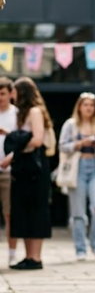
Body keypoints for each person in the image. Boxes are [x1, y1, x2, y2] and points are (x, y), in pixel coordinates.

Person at [7, 77, 53, 271]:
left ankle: (35, 257)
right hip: (24, 167)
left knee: (36, 210)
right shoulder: (21, 114)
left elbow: (37, 139)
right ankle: (28, 256)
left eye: (14, 92)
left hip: (35, 166)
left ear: (22, 92)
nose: (11, 95)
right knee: (23, 210)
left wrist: (13, 151)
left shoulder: (34, 111)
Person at [59, 92, 95, 261]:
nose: (88, 108)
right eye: (85, 105)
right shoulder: (70, 124)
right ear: (79, 107)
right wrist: (80, 144)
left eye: (91, 105)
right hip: (77, 168)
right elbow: (63, 146)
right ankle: (80, 248)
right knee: (78, 213)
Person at [0, 77, 18, 265]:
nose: (0, 97)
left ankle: (12, 253)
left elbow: (23, 141)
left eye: (3, 93)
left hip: (9, 170)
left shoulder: (17, 114)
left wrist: (11, 157)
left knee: (9, 213)